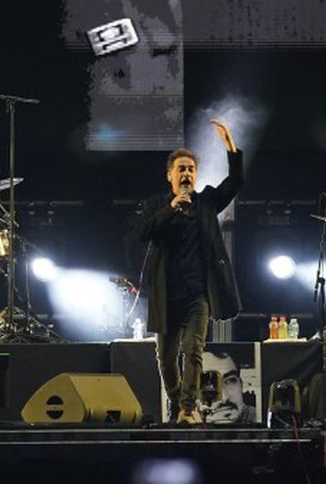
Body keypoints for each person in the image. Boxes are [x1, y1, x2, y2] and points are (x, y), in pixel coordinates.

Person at [132, 119, 242, 424]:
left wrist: (230, 147)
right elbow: (142, 232)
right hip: (166, 294)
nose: (187, 174)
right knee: (166, 358)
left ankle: (188, 408)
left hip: (198, 294)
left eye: (191, 169)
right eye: (181, 169)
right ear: (169, 175)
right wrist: (171, 208)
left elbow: (235, 183)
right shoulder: (156, 205)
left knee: (193, 349)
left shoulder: (206, 203)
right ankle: (176, 401)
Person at [197, 351, 257, 424]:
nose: (224, 397)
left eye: (230, 381)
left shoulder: (257, 417)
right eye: (208, 384)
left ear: (241, 385)